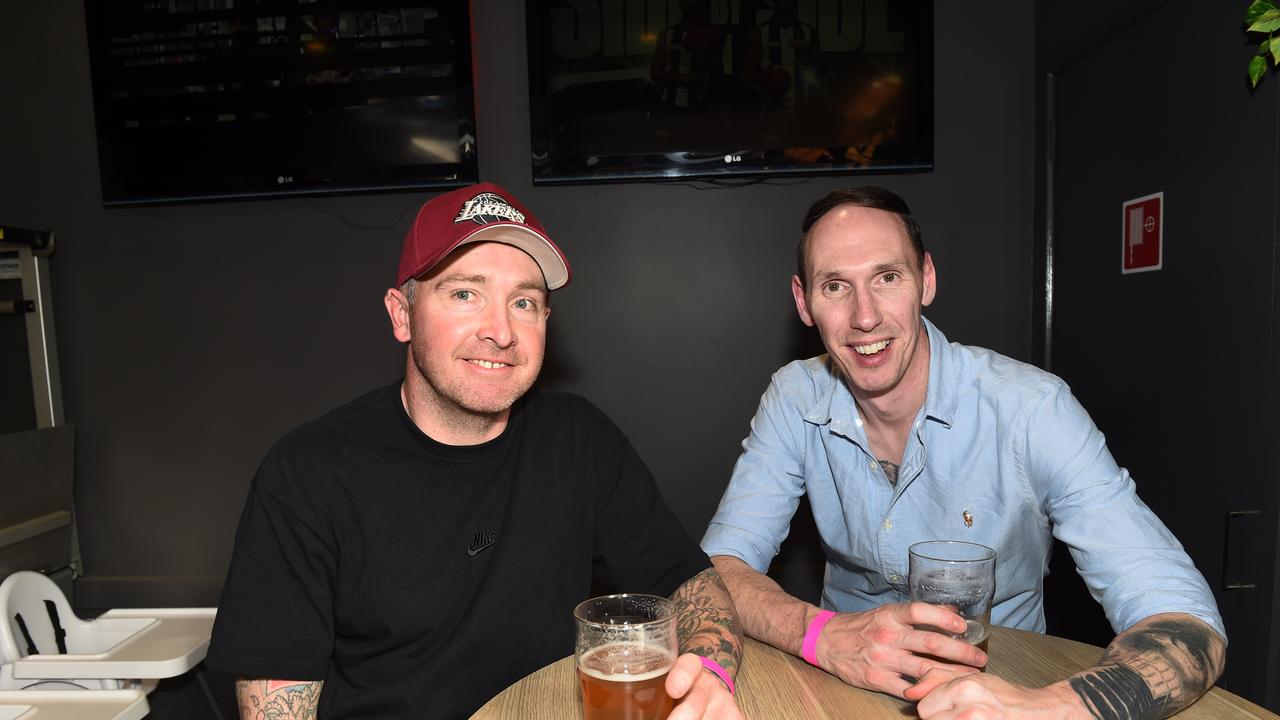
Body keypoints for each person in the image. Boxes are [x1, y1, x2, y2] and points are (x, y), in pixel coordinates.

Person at [206, 182, 744, 720]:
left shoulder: (580, 440)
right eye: (465, 293)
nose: (501, 332)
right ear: (402, 315)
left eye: (524, 302)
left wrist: (705, 676)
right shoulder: (307, 474)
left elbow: (693, 587)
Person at [700, 186, 1226, 718]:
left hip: (1002, 684)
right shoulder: (794, 397)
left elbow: (1184, 619)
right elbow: (717, 570)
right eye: (835, 286)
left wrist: (1049, 710)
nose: (865, 317)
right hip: (836, 680)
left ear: (926, 279)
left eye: (887, 277)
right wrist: (823, 636)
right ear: (803, 301)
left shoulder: (1031, 409)